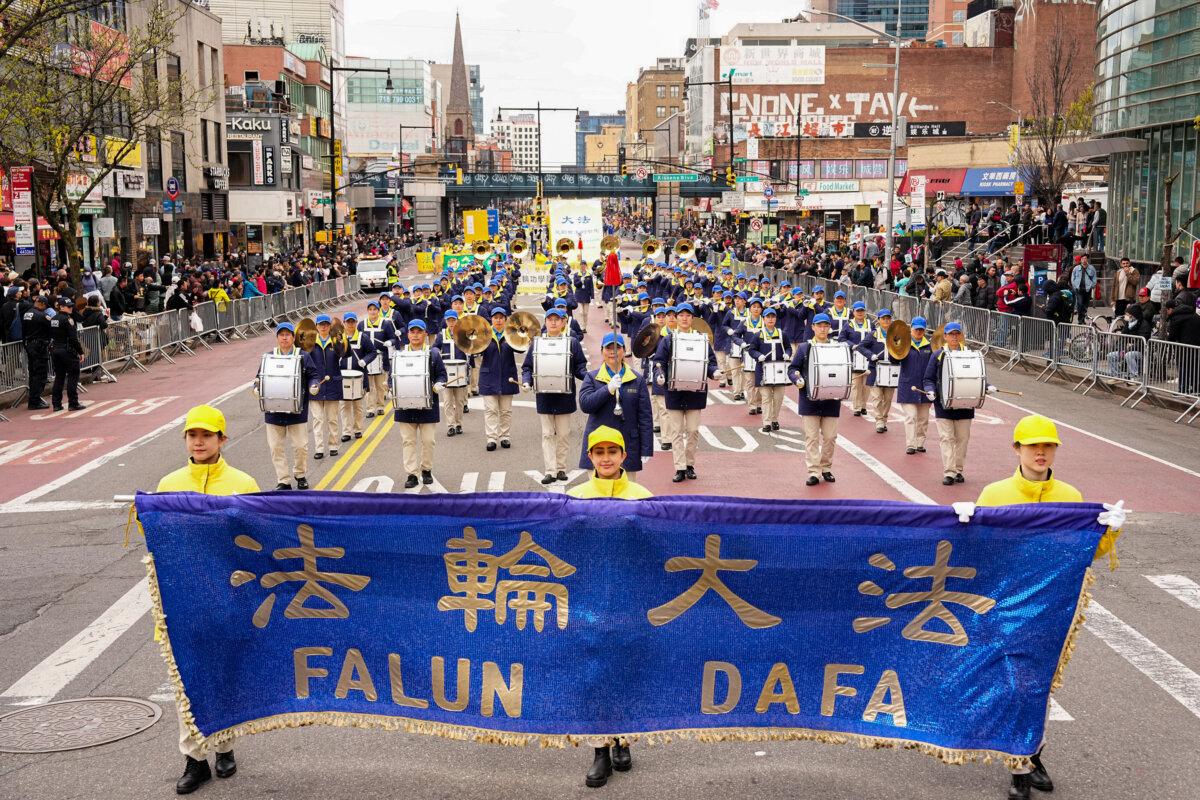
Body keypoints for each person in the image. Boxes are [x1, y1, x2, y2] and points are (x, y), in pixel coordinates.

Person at [973, 414, 1125, 800]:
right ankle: (1020, 769)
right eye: (1033, 445)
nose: (1041, 452)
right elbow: (976, 554)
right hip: (1004, 606)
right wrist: (962, 525)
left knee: (1038, 686)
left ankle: (1032, 755)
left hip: (1052, 608)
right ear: (1017, 449)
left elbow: (1087, 554)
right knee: (1015, 684)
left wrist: (1110, 529)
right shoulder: (993, 495)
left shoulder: (1071, 498)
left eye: (1048, 445)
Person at [155, 404, 260, 795]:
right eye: (192, 435)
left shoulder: (243, 483)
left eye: (207, 435)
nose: (199, 442)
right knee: (187, 679)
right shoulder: (168, 485)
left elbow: (256, 541)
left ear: (222, 439)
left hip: (228, 596)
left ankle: (225, 747)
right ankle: (194, 759)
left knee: (224, 674)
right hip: (183, 600)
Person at [565, 424, 648, 785]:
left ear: (623, 456)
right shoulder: (575, 498)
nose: (606, 459)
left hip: (629, 598)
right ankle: (600, 749)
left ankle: (623, 739)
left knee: (627, 667)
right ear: (590, 457)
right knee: (594, 672)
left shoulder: (643, 496)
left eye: (612, 452)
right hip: (588, 599)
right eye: (598, 453)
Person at [652, 303, 719, 483]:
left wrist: (714, 372)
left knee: (693, 430)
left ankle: (690, 464)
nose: (683, 318)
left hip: (695, 392)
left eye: (687, 315)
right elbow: (659, 362)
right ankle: (680, 467)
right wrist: (660, 375)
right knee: (676, 431)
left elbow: (710, 362)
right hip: (674, 392)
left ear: (692, 318)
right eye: (680, 315)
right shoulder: (668, 340)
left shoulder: (702, 339)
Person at [521, 307, 588, 484]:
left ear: (564, 322)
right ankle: (550, 470)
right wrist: (527, 381)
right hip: (544, 395)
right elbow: (527, 366)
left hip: (564, 395)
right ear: (545, 322)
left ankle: (561, 468)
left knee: (564, 434)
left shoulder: (572, 342)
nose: (553, 322)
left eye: (557, 319)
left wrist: (591, 378)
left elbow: (580, 367)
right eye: (550, 319)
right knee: (547, 434)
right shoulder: (537, 343)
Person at [577, 333, 654, 476]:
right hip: (599, 445)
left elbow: (645, 417)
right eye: (608, 348)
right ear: (602, 351)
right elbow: (586, 405)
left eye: (617, 348)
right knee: (598, 496)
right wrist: (607, 389)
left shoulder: (637, 380)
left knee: (626, 495)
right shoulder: (592, 377)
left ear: (624, 351)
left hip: (627, 446)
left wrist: (646, 448)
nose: (613, 352)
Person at [922, 322, 982, 485]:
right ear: (945, 337)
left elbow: (978, 375)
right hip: (944, 404)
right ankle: (949, 472)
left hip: (965, 404)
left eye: (957, 334)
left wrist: (986, 386)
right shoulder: (938, 355)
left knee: (962, 439)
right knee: (946, 438)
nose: (954, 337)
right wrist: (930, 390)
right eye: (951, 334)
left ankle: (958, 470)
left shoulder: (971, 354)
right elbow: (928, 378)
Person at [788, 313, 842, 485]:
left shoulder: (837, 347)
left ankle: (826, 468)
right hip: (809, 399)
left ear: (829, 328)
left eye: (826, 326)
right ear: (813, 327)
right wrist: (797, 379)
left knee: (830, 437)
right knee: (811, 437)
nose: (823, 329)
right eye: (819, 325)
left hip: (831, 400)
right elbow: (792, 368)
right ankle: (813, 471)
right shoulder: (804, 348)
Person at [394, 320, 447, 488]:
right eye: (412, 331)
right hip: (405, 406)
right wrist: (390, 388)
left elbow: (442, 375)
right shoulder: (399, 354)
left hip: (427, 405)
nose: (415, 334)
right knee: (408, 442)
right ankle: (411, 474)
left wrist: (440, 384)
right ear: (408, 334)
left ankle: (426, 470)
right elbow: (392, 377)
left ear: (425, 334)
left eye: (419, 331)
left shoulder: (434, 354)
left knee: (428, 441)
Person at [259, 322, 311, 490]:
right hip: (274, 411)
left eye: (287, 334)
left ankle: (300, 474)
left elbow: (314, 375)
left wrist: (314, 384)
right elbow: (260, 377)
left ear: (293, 338)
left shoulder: (303, 356)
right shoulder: (269, 356)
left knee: (300, 446)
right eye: (281, 334)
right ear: (277, 338)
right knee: (276, 448)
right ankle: (283, 480)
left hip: (297, 410)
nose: (284, 337)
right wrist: (256, 386)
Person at [477, 307, 520, 451]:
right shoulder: (484, 333)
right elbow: (475, 350)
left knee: (506, 410)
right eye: (496, 317)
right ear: (491, 319)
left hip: (508, 375)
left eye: (501, 317)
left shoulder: (511, 333)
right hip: (488, 376)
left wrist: (520, 336)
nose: (499, 320)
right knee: (491, 410)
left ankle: (505, 436)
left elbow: (521, 348)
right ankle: (491, 438)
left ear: (506, 319)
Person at [303, 314, 344, 460]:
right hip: (316, 386)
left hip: (333, 384)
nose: (324, 327)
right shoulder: (310, 343)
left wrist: (340, 339)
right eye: (321, 325)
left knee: (332, 418)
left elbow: (345, 354)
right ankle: (319, 448)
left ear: (329, 326)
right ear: (316, 327)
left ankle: (333, 445)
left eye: (326, 324)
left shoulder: (335, 341)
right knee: (318, 419)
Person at [746, 307, 792, 433]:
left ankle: (774, 419)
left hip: (779, 372)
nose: (770, 319)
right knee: (766, 398)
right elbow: (751, 350)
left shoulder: (783, 334)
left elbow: (788, 348)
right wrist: (758, 355)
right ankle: (766, 422)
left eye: (773, 317)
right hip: (763, 371)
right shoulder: (758, 335)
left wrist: (787, 354)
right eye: (768, 317)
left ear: (775, 319)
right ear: (764, 319)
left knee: (778, 398)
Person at [896, 316, 934, 455]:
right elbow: (894, 359)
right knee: (911, 416)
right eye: (916, 329)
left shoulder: (930, 346)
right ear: (911, 329)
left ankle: (920, 443)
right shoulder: (904, 343)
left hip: (925, 387)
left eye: (921, 329)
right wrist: (896, 345)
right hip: (907, 386)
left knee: (923, 419)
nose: (918, 332)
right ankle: (910, 444)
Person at [855, 308, 897, 434]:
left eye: (888, 318)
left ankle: (884, 418)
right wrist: (870, 355)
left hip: (891, 369)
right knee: (877, 397)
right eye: (883, 318)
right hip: (876, 369)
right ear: (878, 320)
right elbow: (860, 346)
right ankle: (879, 420)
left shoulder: (896, 334)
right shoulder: (873, 334)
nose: (886, 320)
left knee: (888, 398)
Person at [360, 299, 398, 419]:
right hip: (367, 358)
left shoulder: (385, 323)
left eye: (375, 309)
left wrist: (389, 342)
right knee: (369, 385)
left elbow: (394, 339)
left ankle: (380, 406)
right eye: (370, 309)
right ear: (367, 311)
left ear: (378, 310)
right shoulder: (361, 324)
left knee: (380, 385)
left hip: (381, 357)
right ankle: (370, 408)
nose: (372, 312)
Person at [434, 310, 469, 437]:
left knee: (459, 401)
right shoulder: (442, 334)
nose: (451, 323)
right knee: (448, 401)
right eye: (449, 320)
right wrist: (436, 351)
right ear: (446, 321)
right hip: (446, 371)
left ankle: (459, 424)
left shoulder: (463, 334)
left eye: (453, 320)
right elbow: (435, 347)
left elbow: (471, 347)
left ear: (457, 320)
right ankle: (450, 425)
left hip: (460, 371)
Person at [49, 296, 86, 411]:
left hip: (55, 350)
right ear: (61, 307)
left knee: (59, 377)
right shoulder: (68, 320)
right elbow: (73, 339)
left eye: (71, 306)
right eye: (68, 306)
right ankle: (73, 403)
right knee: (73, 376)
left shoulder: (54, 318)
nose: (71, 308)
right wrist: (81, 352)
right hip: (67, 350)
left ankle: (56, 404)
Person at [840, 301, 873, 416]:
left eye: (862, 310)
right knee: (856, 384)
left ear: (865, 312)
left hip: (868, 358)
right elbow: (842, 338)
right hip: (854, 358)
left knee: (867, 384)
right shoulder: (849, 325)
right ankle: (857, 407)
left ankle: (864, 405)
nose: (860, 313)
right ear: (853, 312)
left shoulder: (870, 324)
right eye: (857, 311)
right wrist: (851, 345)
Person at [21, 294, 51, 409]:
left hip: (30, 346)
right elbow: (50, 329)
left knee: (33, 373)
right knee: (41, 374)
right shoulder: (43, 316)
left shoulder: (27, 314)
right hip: (39, 347)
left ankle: (34, 399)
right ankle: (34, 400)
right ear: (42, 304)